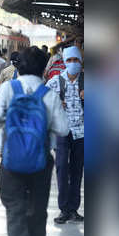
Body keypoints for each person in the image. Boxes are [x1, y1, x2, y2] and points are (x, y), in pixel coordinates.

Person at [0, 46, 69, 236]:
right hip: (40, 162)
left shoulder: (8, 89)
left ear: (19, 66)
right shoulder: (48, 94)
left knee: (15, 210)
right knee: (37, 211)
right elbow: (63, 129)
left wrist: (11, 123)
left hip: (11, 160)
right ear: (44, 68)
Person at [45, 45, 85, 224]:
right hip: (61, 131)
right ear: (64, 62)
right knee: (61, 167)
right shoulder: (55, 82)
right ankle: (63, 209)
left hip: (82, 132)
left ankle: (73, 209)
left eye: (76, 60)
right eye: (69, 60)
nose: (73, 63)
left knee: (77, 170)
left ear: (81, 61)